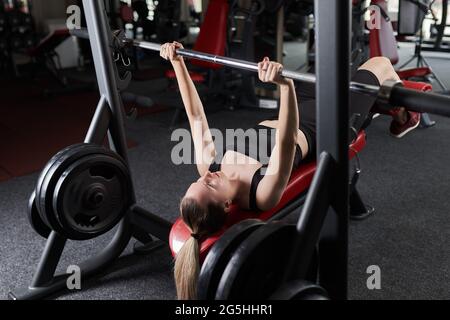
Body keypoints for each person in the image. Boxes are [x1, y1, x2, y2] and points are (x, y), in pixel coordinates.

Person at [159, 42, 421, 300]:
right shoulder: (261, 192)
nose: (206, 177)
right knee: (381, 64)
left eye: (198, 180)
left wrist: (178, 63)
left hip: (293, 108)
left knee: (329, 61)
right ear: (227, 204)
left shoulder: (209, 167)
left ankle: (378, 100)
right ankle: (402, 116)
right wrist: (284, 86)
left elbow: (195, 117)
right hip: (321, 125)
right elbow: (285, 141)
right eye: (209, 186)